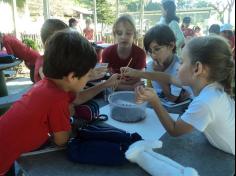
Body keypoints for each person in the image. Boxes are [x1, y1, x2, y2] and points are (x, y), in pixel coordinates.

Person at [0, 29, 120, 175]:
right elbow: (62, 140)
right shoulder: (57, 100)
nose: (89, 79)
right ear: (71, 77)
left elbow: (78, 98)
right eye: (88, 75)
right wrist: (67, 120)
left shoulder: (48, 84)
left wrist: (106, 84)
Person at [132, 36, 235, 155]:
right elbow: (168, 78)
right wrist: (138, 73)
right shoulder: (204, 83)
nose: (177, 67)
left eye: (181, 62)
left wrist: (155, 100)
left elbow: (174, 130)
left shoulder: (206, 102)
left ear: (197, 68)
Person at [122, 24, 191, 103]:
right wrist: (142, 89)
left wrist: (158, 74)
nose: (153, 55)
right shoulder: (151, 65)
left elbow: (172, 99)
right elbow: (150, 88)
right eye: (150, 51)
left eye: (157, 49)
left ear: (171, 45)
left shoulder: (179, 68)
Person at [102, 14, 146, 90]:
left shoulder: (140, 54)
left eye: (128, 33)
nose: (123, 37)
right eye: (119, 33)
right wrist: (131, 87)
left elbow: (137, 80)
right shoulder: (107, 52)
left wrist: (117, 84)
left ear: (134, 35)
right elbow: (107, 82)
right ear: (114, 35)